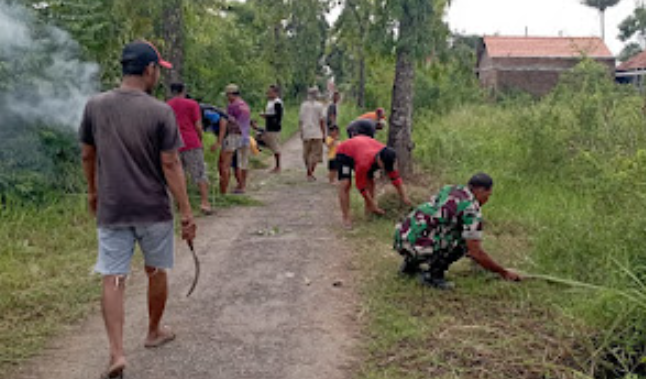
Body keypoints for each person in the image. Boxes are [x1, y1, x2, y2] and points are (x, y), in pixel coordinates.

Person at [79, 40, 197, 379]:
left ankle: (116, 352)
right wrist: (186, 211)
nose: (158, 74)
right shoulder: (160, 112)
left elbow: (88, 154)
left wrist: (93, 192)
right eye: (157, 68)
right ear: (148, 70)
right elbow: (170, 163)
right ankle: (153, 331)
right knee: (155, 270)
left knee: (113, 276)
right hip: (152, 209)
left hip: (113, 208)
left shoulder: (95, 106)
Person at [394, 173, 522, 290]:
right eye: (488, 195)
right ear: (481, 191)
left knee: (435, 230)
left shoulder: (450, 189)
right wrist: (503, 272)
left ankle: (409, 267)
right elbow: (475, 252)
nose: (487, 199)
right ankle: (434, 277)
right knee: (462, 243)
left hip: (402, 238)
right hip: (418, 246)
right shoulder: (471, 209)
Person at [335, 135, 412, 228]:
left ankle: (368, 213)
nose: (385, 168)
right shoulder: (364, 163)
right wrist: (373, 204)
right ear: (379, 160)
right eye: (384, 166)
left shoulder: (388, 155)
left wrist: (404, 197)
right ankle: (346, 217)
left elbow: (395, 178)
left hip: (363, 148)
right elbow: (361, 187)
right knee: (345, 184)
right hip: (345, 153)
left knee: (370, 182)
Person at [167, 83, 212, 214]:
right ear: (183, 91)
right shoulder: (192, 104)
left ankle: (179, 205)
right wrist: (200, 139)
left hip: (173, 144)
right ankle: (204, 203)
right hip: (191, 142)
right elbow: (198, 125)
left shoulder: (166, 106)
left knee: (176, 175)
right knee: (199, 173)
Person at [225, 84, 251, 194]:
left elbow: (229, 121)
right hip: (246, 136)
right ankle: (243, 185)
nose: (227, 97)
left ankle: (239, 185)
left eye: (227, 95)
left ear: (231, 94)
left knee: (235, 162)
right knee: (244, 162)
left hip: (235, 136)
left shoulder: (232, 106)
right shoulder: (245, 105)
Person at [299, 86, 326, 181]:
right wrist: (324, 133)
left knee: (306, 154)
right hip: (317, 132)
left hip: (306, 132)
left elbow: (301, 120)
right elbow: (321, 121)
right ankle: (310, 173)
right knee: (316, 154)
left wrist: (301, 132)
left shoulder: (303, 105)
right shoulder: (319, 106)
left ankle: (309, 173)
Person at [260, 84, 283, 173]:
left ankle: (278, 166)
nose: (268, 94)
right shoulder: (270, 102)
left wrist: (266, 116)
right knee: (269, 143)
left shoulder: (277, 102)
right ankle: (277, 165)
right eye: (268, 92)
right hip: (269, 126)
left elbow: (278, 116)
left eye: (270, 92)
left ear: (275, 93)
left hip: (274, 127)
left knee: (275, 146)